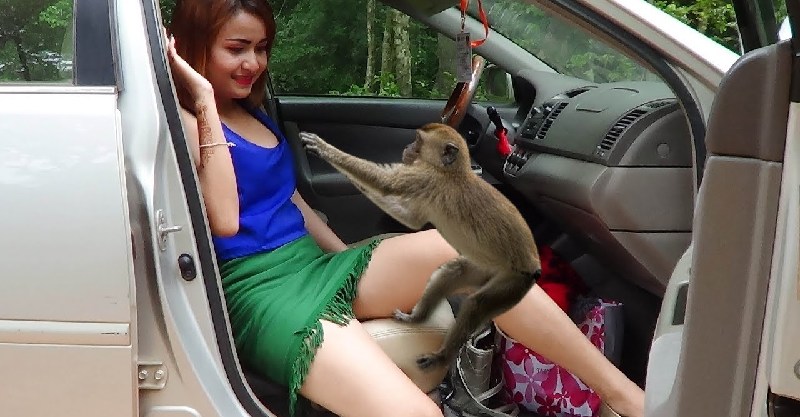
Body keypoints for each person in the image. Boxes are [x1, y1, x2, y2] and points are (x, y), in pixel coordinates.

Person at [166, 1, 645, 416]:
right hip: (261, 293)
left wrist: (349, 258)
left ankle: (623, 395)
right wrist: (203, 100)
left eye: (261, 47)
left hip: (310, 266)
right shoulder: (191, 122)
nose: (253, 62)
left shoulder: (248, 110)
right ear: (194, 47)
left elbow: (287, 198)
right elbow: (225, 221)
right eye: (237, 48)